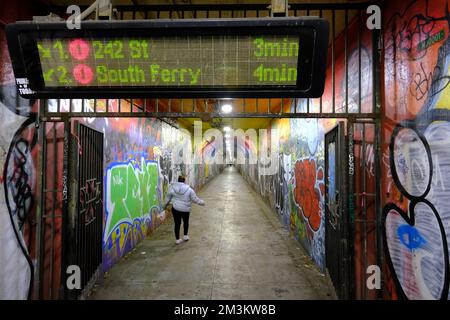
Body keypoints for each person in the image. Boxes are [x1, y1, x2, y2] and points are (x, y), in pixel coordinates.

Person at [163, 175, 205, 244]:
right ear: (184, 181)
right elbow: (195, 199)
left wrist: (164, 206)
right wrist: (202, 203)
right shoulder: (189, 189)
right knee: (186, 222)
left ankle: (177, 239)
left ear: (178, 180)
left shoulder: (172, 188)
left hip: (176, 209)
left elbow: (167, 197)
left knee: (177, 223)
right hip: (185, 210)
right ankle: (185, 236)